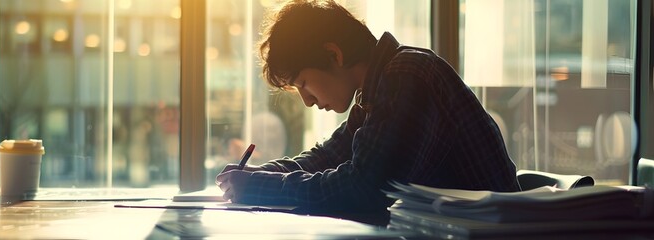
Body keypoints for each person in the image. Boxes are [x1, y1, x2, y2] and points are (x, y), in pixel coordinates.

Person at [215, 0, 520, 225]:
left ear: (334, 54)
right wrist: (260, 175)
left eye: (304, 83)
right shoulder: (375, 90)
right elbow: (327, 156)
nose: (307, 102)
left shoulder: (406, 77)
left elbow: (362, 189)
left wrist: (260, 187)